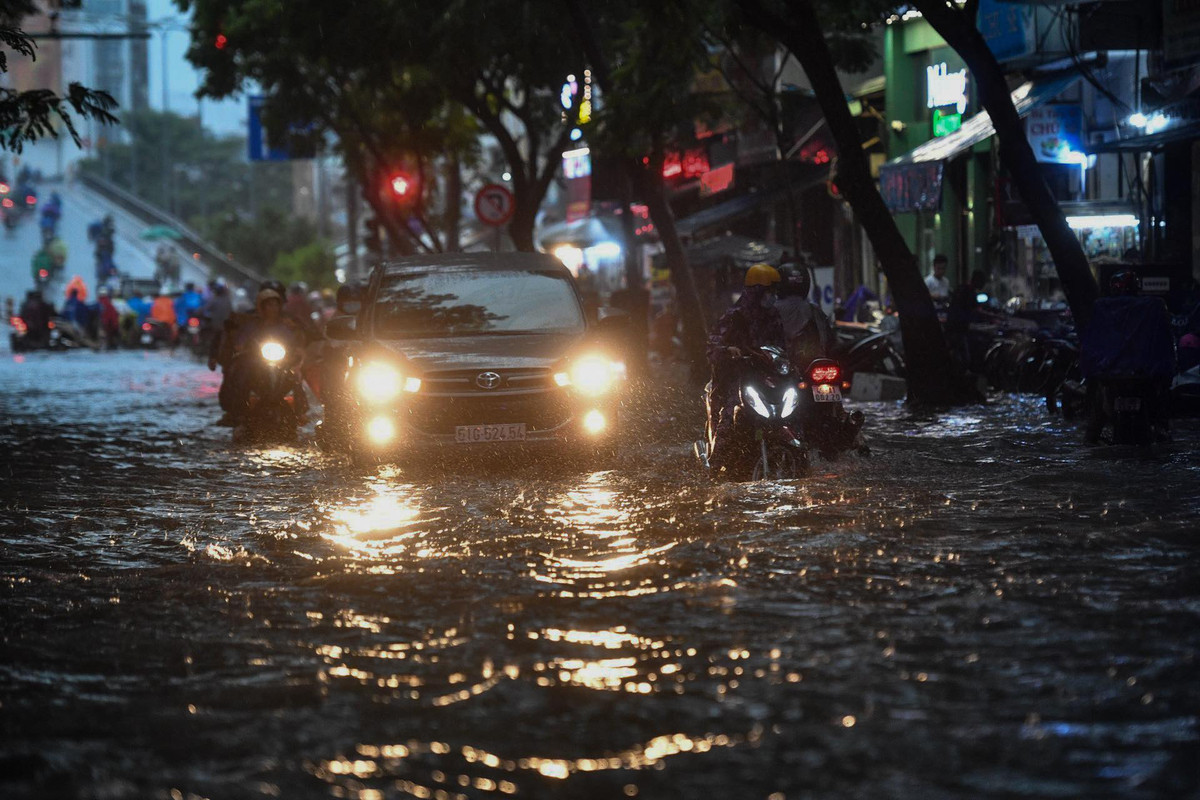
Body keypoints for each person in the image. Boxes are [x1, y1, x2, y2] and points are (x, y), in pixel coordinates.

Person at [705, 263, 787, 469]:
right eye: (769, 292)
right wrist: (728, 351)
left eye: (775, 292)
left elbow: (782, 346)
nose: (773, 296)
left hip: (768, 378)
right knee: (729, 415)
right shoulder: (735, 316)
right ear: (757, 291)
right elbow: (712, 348)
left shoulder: (774, 316)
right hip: (736, 378)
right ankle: (716, 465)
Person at [1081, 270, 1176, 442]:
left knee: (1093, 429)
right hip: (1144, 375)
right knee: (1161, 416)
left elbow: (1092, 343)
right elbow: (1164, 340)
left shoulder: (1102, 307)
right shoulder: (1153, 305)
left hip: (1110, 375)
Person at [215, 288, 308, 426]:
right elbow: (241, 341)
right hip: (256, 363)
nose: (273, 308)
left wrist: (296, 349)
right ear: (262, 307)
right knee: (242, 374)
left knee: (295, 377)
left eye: (275, 305)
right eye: (269, 305)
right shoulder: (252, 325)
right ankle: (239, 413)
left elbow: (295, 341)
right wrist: (242, 346)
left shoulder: (286, 325)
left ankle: (300, 412)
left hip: (281, 362)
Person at [776, 265, 833, 370]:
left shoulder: (771, 309)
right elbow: (828, 340)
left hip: (783, 367)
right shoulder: (814, 309)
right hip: (814, 365)